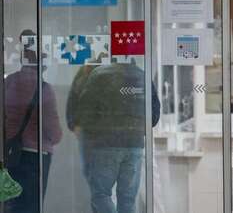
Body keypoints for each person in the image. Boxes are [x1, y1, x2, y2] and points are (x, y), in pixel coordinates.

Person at [73, 57, 160, 213]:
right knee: (128, 199)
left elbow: (84, 111)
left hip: (105, 144)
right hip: (134, 145)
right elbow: (154, 116)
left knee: (101, 195)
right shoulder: (142, 76)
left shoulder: (98, 74)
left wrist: (95, 133)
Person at [4, 30, 63, 213]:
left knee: (11, 205)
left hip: (10, 154)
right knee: (31, 206)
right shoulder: (44, 89)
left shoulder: (8, 82)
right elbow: (55, 133)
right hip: (35, 157)